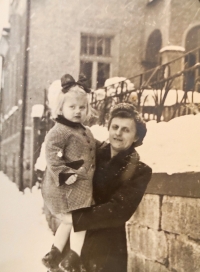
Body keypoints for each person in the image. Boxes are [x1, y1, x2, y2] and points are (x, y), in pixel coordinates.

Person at [58, 103, 152, 272]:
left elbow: (118, 211)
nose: (118, 133)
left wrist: (75, 218)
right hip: (73, 243)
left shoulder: (139, 171)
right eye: (115, 127)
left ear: (136, 137)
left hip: (106, 249)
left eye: (126, 130)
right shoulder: (91, 153)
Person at [41, 74, 96, 271]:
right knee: (80, 222)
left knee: (68, 222)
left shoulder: (84, 130)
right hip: (69, 185)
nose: (77, 111)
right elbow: (52, 155)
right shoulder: (60, 130)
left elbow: (91, 147)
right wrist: (64, 173)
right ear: (61, 108)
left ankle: (55, 252)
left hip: (81, 185)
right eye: (72, 107)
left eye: (82, 107)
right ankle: (73, 257)